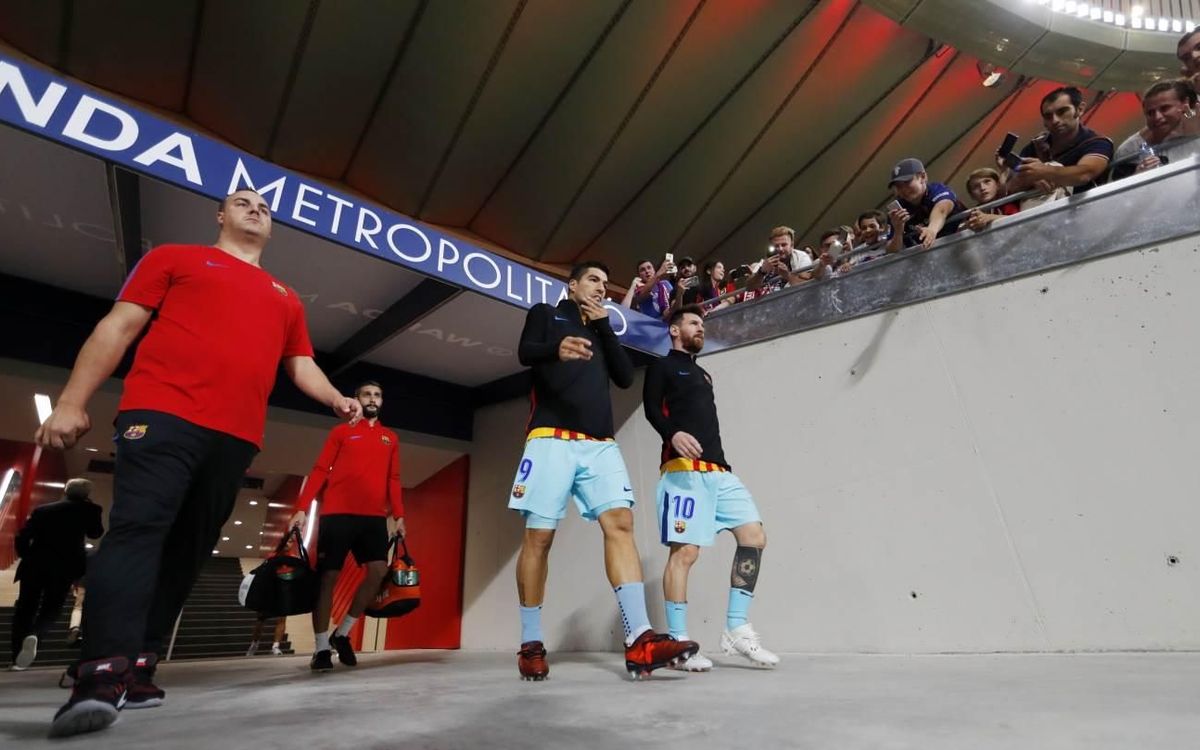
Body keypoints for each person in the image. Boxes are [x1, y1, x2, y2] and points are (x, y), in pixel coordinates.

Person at [34, 188, 362, 738]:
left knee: (188, 548)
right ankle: (101, 669)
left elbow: (300, 363)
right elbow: (117, 327)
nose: (255, 209)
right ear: (220, 215)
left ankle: (141, 663)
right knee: (139, 530)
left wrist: (334, 398)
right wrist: (72, 400)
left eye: (263, 207)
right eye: (241, 202)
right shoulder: (175, 258)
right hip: (161, 415)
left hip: (235, 437)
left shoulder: (286, 296)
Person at [509, 261, 699, 681]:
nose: (600, 288)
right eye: (592, 279)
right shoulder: (546, 313)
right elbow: (525, 352)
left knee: (621, 524)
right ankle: (531, 643)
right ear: (572, 284)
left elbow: (624, 379)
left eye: (604, 284)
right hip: (550, 438)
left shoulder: (600, 327)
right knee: (539, 537)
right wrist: (553, 350)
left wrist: (605, 328)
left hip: (600, 445)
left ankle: (640, 641)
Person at [643, 306, 778, 670]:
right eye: (693, 323)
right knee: (685, 553)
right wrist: (672, 432)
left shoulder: (704, 373)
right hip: (683, 472)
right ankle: (678, 643)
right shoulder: (661, 367)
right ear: (675, 330)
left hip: (720, 471)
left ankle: (736, 626)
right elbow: (651, 409)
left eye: (702, 324)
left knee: (754, 536)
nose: (700, 328)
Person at [289, 381, 404, 672]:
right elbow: (319, 469)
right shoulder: (341, 432)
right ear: (356, 399)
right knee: (328, 577)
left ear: (382, 401)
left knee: (378, 572)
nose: (373, 398)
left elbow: (393, 479)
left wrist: (399, 515)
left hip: (373, 518)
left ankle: (343, 633)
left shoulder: (391, 438)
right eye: (367, 394)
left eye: (378, 394)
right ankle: (321, 648)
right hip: (337, 515)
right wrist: (300, 509)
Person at [10, 478, 103, 670]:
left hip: (34, 566)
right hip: (65, 569)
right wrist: (90, 507)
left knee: (25, 608)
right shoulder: (90, 511)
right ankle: (36, 634)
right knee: (51, 608)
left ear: (66, 491)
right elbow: (95, 533)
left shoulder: (43, 510)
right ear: (86, 495)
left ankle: (15, 657)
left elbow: (22, 536)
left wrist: (27, 556)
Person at [1006, 87, 1114, 196]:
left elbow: (1084, 174)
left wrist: (1043, 171)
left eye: (1062, 112)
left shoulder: (1098, 142)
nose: (1055, 120)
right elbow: (1009, 188)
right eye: (1048, 116)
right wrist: (1030, 181)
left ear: (1080, 109)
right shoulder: (1034, 146)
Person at [1113, 80, 1197, 179]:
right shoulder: (1129, 150)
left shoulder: (1195, 123)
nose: (1157, 117)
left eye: (1165, 108)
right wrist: (1137, 178)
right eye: (1150, 113)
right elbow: (1121, 192)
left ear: (1185, 103)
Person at [885, 158, 966, 252]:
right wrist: (898, 231)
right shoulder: (898, 211)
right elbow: (891, 251)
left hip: (963, 248)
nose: (903, 190)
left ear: (923, 177)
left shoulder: (937, 189)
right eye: (898, 186)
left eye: (907, 182)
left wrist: (931, 229)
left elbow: (941, 209)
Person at [962, 167, 1018, 232]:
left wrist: (989, 218)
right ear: (972, 195)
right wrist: (968, 225)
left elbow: (1017, 218)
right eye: (976, 186)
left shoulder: (1006, 203)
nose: (982, 188)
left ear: (998, 185)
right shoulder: (971, 214)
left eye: (987, 182)